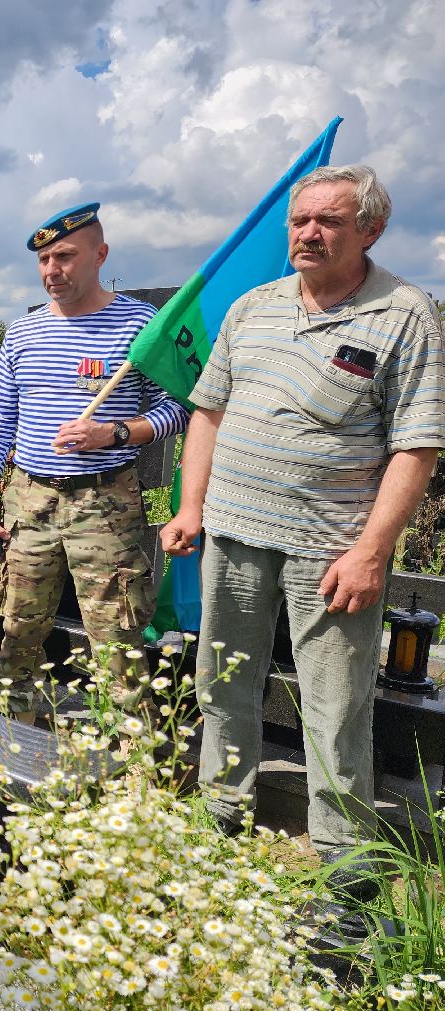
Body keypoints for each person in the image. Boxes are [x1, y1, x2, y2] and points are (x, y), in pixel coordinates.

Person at [160, 165, 445, 870]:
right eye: (299, 221)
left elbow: (417, 445)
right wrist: (192, 505)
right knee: (222, 682)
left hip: (331, 548)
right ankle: (220, 815)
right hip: (230, 532)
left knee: (334, 707)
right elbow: (208, 412)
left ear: (370, 230)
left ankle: (343, 859)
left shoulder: (405, 313)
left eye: (328, 221)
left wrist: (374, 551)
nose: (308, 233)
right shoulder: (253, 306)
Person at [0, 202, 188, 722]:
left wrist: (115, 433)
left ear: (100, 255)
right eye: (44, 260)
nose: (52, 271)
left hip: (103, 501)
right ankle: (14, 756)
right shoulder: (23, 332)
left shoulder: (140, 325)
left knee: (118, 644)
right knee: (18, 635)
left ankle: (136, 776)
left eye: (64, 256)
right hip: (29, 499)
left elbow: (179, 406)